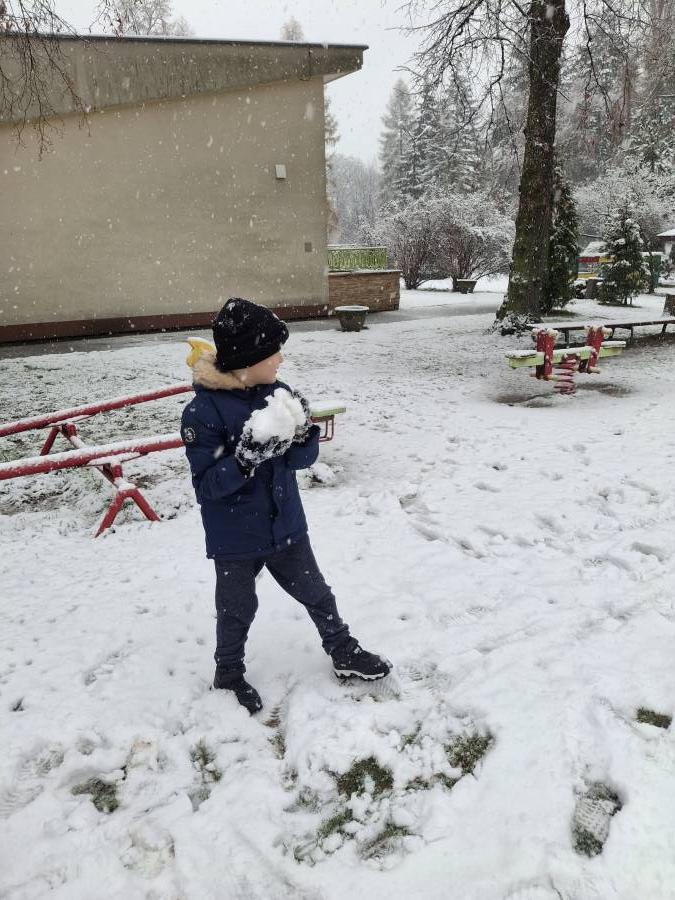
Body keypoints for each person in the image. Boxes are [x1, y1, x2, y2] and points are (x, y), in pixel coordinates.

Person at [181, 298, 391, 714]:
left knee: (317, 592)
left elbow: (300, 461)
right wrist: (244, 459)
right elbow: (206, 487)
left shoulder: (278, 394)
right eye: (273, 351)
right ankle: (228, 673)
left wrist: (303, 433)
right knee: (236, 609)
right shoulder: (202, 412)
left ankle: (342, 650)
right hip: (236, 536)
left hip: (285, 524)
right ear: (248, 358)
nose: (280, 359)